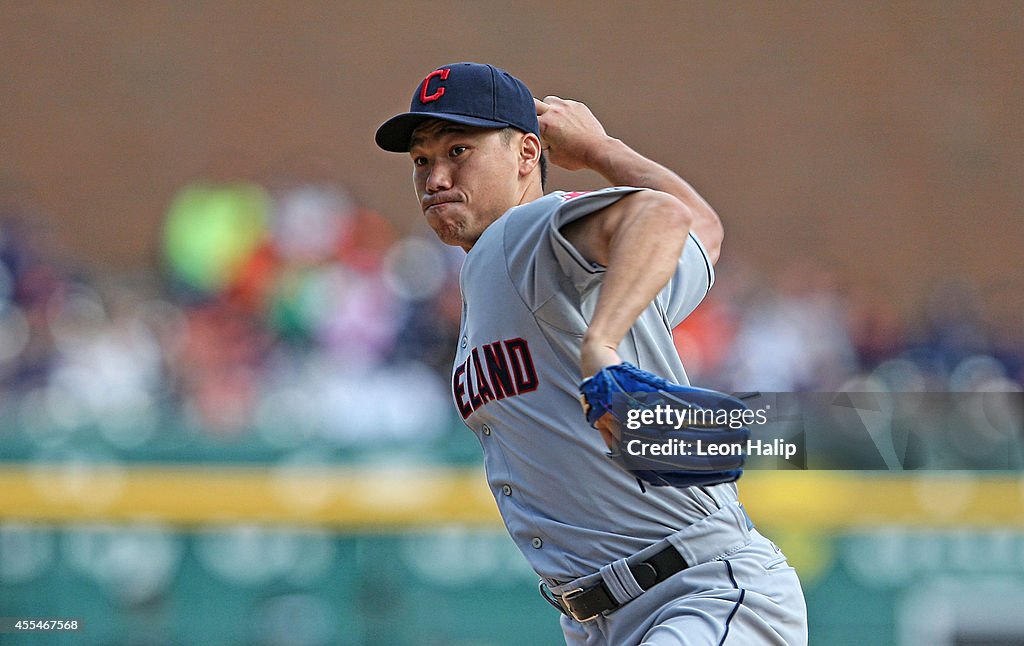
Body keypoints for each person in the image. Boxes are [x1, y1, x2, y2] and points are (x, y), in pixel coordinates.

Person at [375, 62, 807, 645]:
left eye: (459, 150)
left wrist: (599, 344)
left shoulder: (522, 232)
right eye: (422, 161)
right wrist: (603, 151)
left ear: (527, 153)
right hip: (618, 616)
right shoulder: (555, 269)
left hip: (696, 596)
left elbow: (661, 214)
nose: (436, 176)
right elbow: (701, 229)